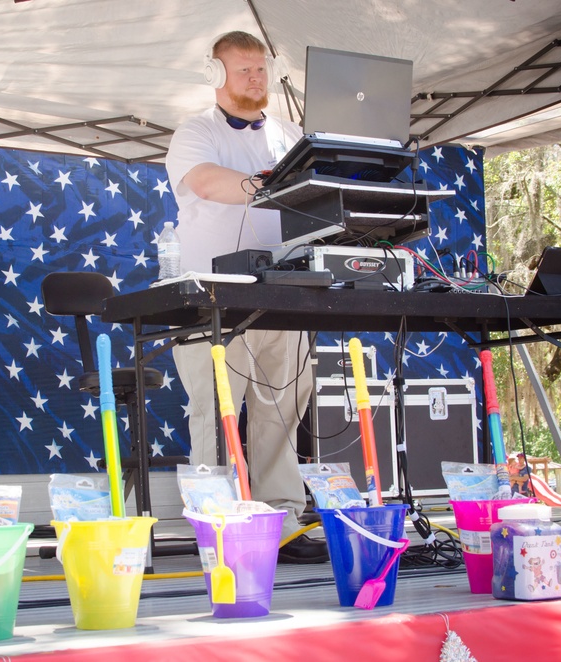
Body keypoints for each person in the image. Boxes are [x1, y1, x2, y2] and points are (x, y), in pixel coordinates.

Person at [165, 31, 325, 564]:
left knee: (283, 407)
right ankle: (219, 520)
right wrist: (271, 186)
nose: (256, 79)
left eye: (262, 70)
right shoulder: (194, 132)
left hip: (285, 292)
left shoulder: (291, 133)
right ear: (217, 75)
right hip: (212, 297)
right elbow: (207, 183)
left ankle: (282, 517)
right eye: (244, 70)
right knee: (215, 412)